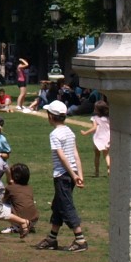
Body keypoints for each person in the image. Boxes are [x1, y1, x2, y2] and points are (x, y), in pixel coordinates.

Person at [37, 99, 87, 252]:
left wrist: (73, 175)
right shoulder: (69, 132)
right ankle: (52, 238)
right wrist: (79, 174)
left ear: (51, 116)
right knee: (57, 205)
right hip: (71, 174)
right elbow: (75, 154)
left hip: (62, 175)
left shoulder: (55, 134)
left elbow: (62, 156)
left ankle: (80, 239)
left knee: (66, 206)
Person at [0, 161, 39, 238]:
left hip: (21, 219)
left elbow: (3, 200)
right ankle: (29, 226)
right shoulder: (29, 188)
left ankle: (17, 227)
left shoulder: (10, 187)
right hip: (34, 219)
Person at [89, 99, 112, 177]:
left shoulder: (94, 117)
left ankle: (97, 171)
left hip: (98, 137)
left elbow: (94, 128)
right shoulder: (108, 118)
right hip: (107, 137)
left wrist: (85, 132)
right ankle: (109, 167)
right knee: (106, 154)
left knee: (97, 155)